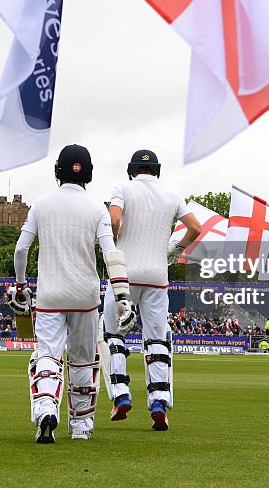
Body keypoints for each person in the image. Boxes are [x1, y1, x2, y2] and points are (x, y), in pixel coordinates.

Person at [8, 144, 136, 442]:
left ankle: (44, 408)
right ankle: (80, 427)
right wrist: (122, 297)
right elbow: (111, 254)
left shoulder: (41, 205)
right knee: (83, 362)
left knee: (47, 355)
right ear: (88, 173)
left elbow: (21, 249)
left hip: (51, 296)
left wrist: (19, 284)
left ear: (57, 171)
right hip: (85, 297)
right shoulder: (96, 208)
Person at [103, 149, 200, 429]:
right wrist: (176, 248)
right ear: (157, 170)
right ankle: (159, 401)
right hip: (158, 275)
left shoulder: (122, 188)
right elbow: (195, 227)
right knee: (157, 340)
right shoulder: (172, 195)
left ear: (131, 170)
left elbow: (113, 220)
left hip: (125, 274)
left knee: (114, 333)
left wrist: (117, 241)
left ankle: (120, 395)